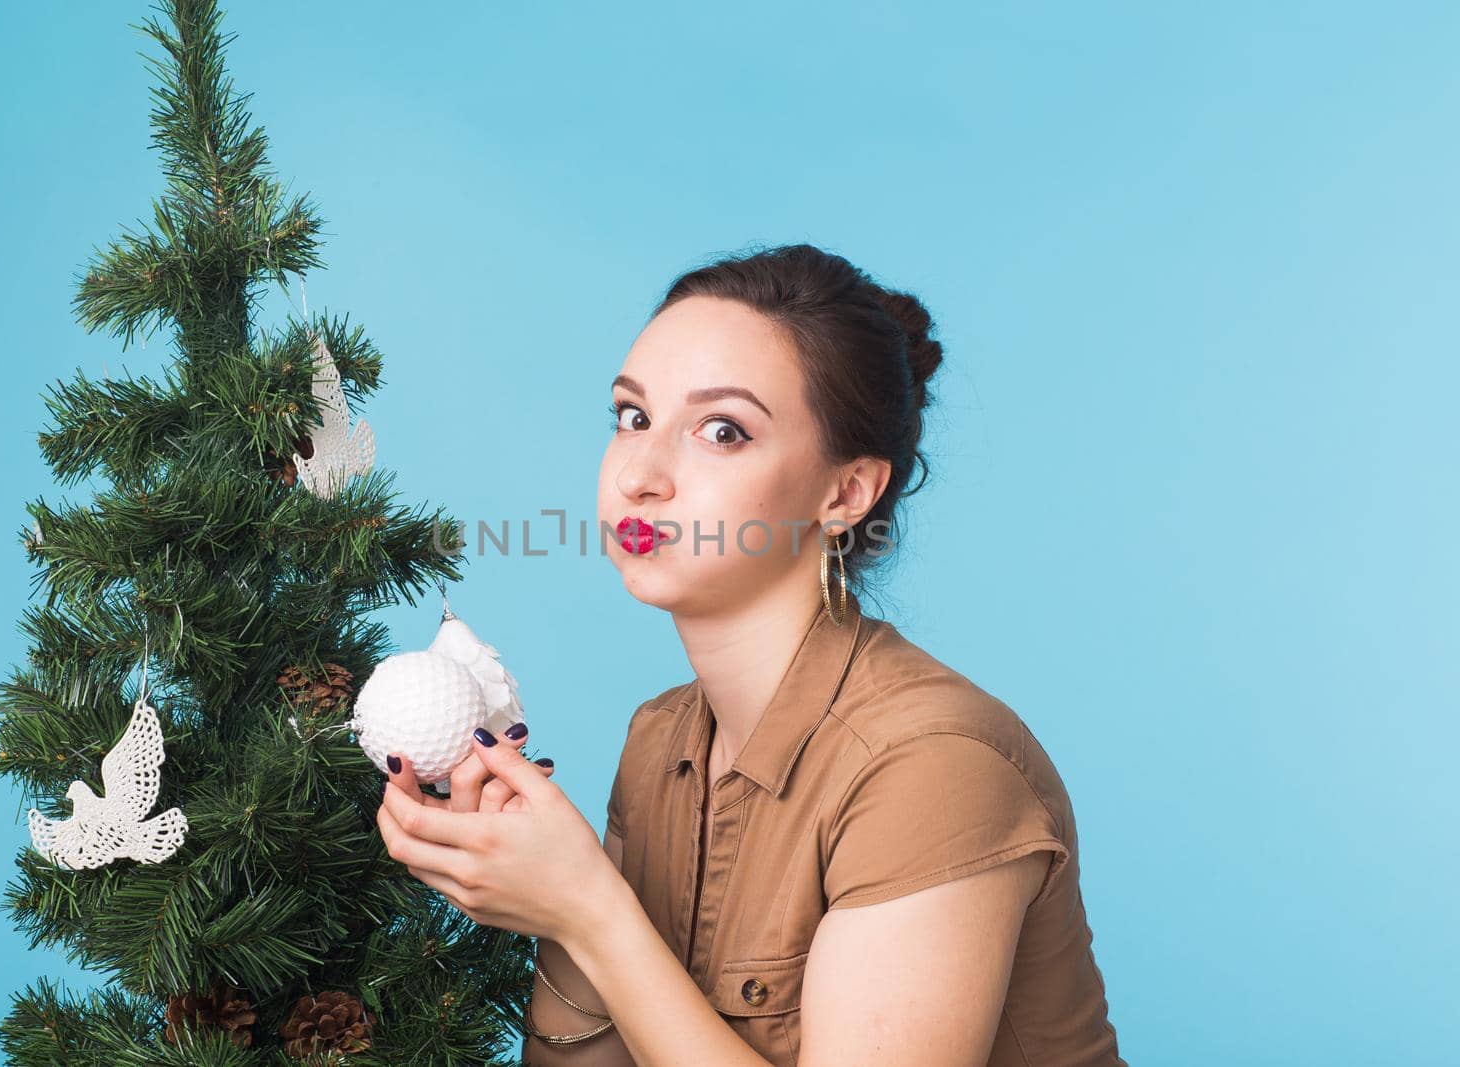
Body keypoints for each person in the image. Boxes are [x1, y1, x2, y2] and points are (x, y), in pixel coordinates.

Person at [376, 243, 1125, 1065]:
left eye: (722, 430)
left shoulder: (931, 767)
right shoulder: (660, 740)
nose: (641, 475)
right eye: (633, 416)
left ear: (846, 492)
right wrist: (552, 900)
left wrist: (591, 908)